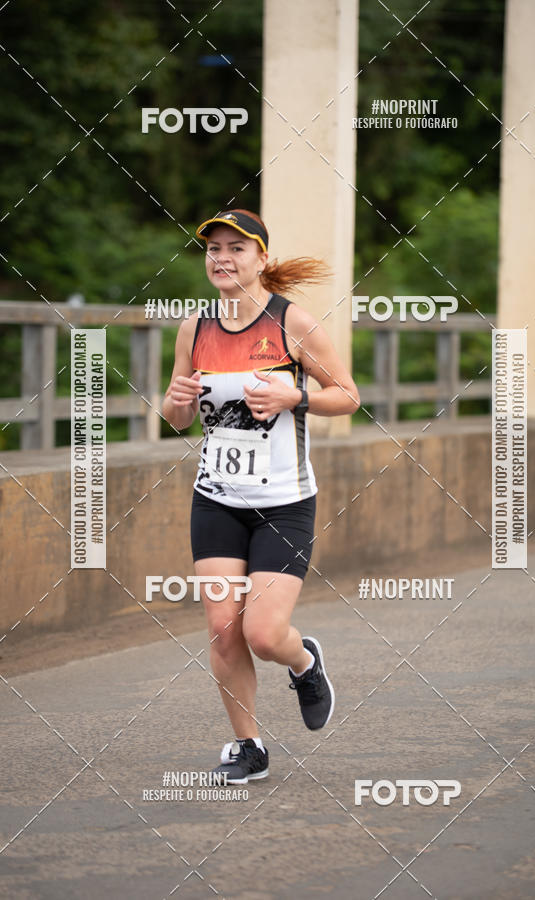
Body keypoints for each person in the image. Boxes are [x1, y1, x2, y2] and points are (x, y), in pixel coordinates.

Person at [162, 209, 360, 784]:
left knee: (263, 634)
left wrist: (293, 395)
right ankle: (249, 746)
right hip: (216, 500)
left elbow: (346, 395)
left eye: (236, 248)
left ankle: (304, 662)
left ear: (261, 259)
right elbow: (176, 418)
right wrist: (175, 400)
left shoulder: (291, 324)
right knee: (224, 629)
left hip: (284, 503)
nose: (221, 258)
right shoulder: (193, 329)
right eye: (212, 249)